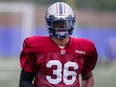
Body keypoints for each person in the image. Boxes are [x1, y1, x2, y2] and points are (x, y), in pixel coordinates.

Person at [19, 2, 97, 87]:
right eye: (57, 23)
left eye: (65, 23)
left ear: (72, 23)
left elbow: (88, 77)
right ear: (49, 24)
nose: (61, 27)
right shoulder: (36, 46)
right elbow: (24, 82)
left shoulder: (84, 47)